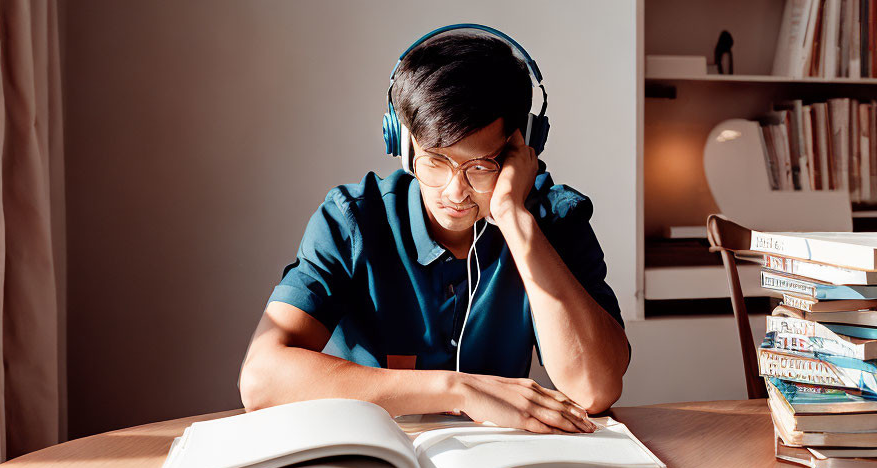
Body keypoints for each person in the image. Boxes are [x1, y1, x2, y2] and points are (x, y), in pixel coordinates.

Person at [239, 25, 630, 434]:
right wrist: (457, 389)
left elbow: (594, 389)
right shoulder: (350, 219)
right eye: (435, 161)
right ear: (402, 142)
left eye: (480, 165)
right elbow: (260, 379)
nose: (455, 190)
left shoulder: (553, 218)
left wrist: (514, 220)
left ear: (523, 148)